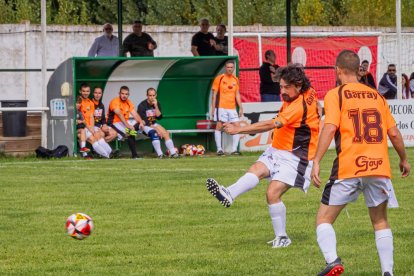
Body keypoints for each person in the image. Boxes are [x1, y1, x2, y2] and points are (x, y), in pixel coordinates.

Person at [311, 50, 410, 276]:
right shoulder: (377, 97)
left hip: (349, 166)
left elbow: (329, 127)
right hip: (378, 166)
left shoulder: (336, 94)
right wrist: (403, 159)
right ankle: (387, 272)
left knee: (324, 219)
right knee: (380, 221)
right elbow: (393, 133)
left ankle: (333, 261)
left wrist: (316, 160)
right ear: (359, 70)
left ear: (338, 70)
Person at [206, 64, 320, 248]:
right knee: (255, 170)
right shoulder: (309, 91)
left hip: (296, 156)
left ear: (298, 85)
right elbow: (319, 106)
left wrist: (240, 129)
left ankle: (282, 237)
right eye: (280, 86)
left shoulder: (298, 107)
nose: (281, 91)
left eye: (285, 87)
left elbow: (270, 124)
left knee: (272, 193)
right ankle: (229, 194)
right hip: (278, 148)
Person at [210, 60, 243, 155]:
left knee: (237, 126)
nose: (230, 69)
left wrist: (240, 107)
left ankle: (234, 150)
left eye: (231, 67)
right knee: (219, 126)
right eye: (228, 67)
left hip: (232, 108)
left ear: (234, 68)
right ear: (225, 68)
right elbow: (214, 95)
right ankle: (219, 149)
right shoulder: (219, 78)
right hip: (221, 107)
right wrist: (213, 108)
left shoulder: (235, 79)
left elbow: (237, 94)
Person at [137, 88, 179, 158]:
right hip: (144, 125)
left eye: (153, 95)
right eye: (150, 95)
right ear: (147, 95)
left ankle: (173, 153)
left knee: (165, 133)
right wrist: (157, 129)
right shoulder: (142, 105)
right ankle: (160, 154)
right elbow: (145, 121)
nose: (152, 97)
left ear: (156, 95)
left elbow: (159, 117)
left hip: (153, 123)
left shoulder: (157, 103)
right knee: (155, 133)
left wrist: (156, 106)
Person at [107, 86, 145, 159]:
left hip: (123, 123)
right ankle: (134, 155)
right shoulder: (115, 101)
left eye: (126, 94)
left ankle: (134, 155)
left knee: (136, 128)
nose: (124, 96)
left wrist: (140, 122)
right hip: (113, 123)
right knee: (130, 132)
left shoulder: (128, 102)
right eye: (123, 93)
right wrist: (128, 125)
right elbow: (120, 115)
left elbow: (135, 113)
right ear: (119, 93)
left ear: (128, 94)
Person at [78, 83, 112, 158]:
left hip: (89, 127)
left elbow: (91, 117)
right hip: (81, 127)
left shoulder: (90, 103)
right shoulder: (79, 101)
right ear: (80, 91)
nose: (85, 93)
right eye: (84, 91)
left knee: (97, 136)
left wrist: (92, 128)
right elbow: (82, 118)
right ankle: (106, 155)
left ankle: (109, 153)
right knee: (93, 139)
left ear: (90, 92)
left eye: (87, 91)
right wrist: (90, 128)